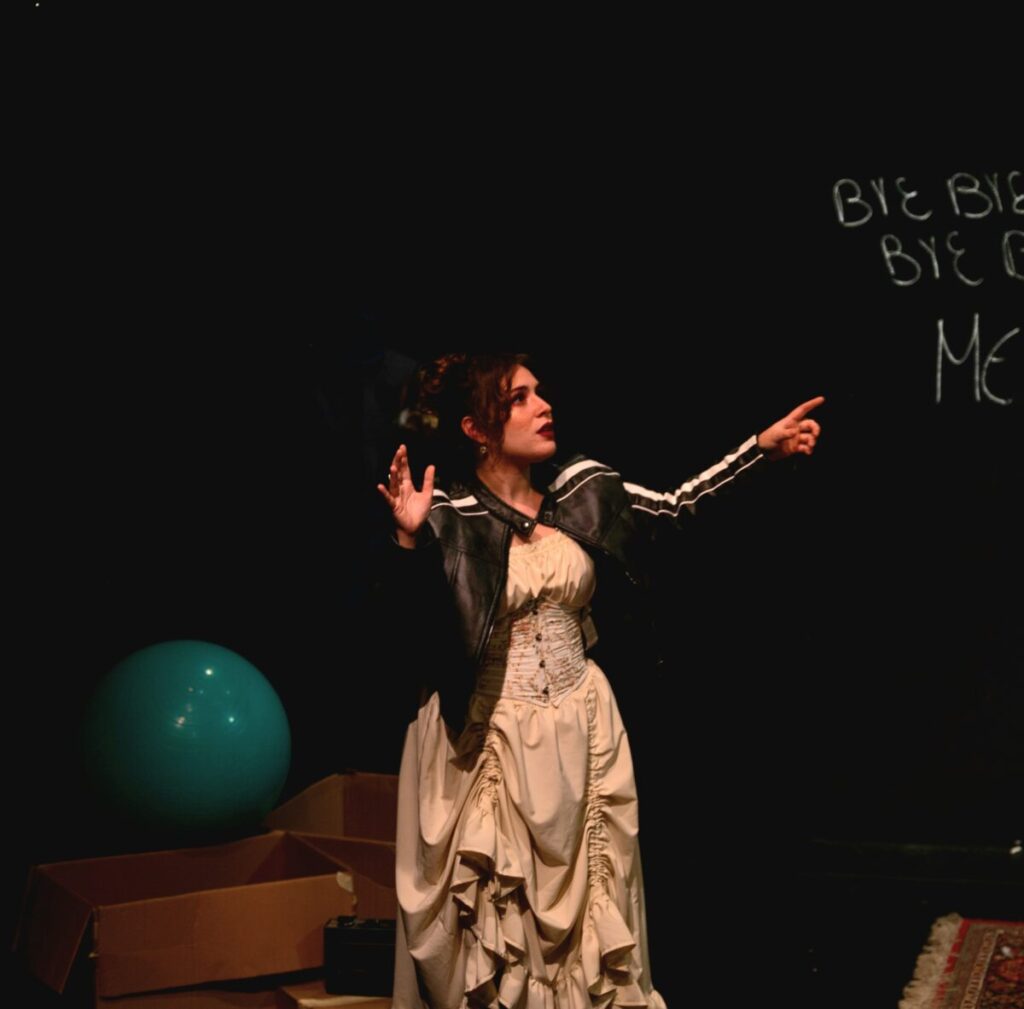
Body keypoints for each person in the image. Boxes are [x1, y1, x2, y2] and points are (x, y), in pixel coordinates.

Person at [374, 353, 823, 1009]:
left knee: (595, 908)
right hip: (489, 739)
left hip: (582, 728)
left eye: (540, 392)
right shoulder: (447, 511)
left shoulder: (583, 489)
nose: (543, 405)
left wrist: (759, 449)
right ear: (476, 427)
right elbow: (408, 639)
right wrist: (409, 543)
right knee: (500, 920)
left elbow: (675, 507)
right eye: (519, 398)